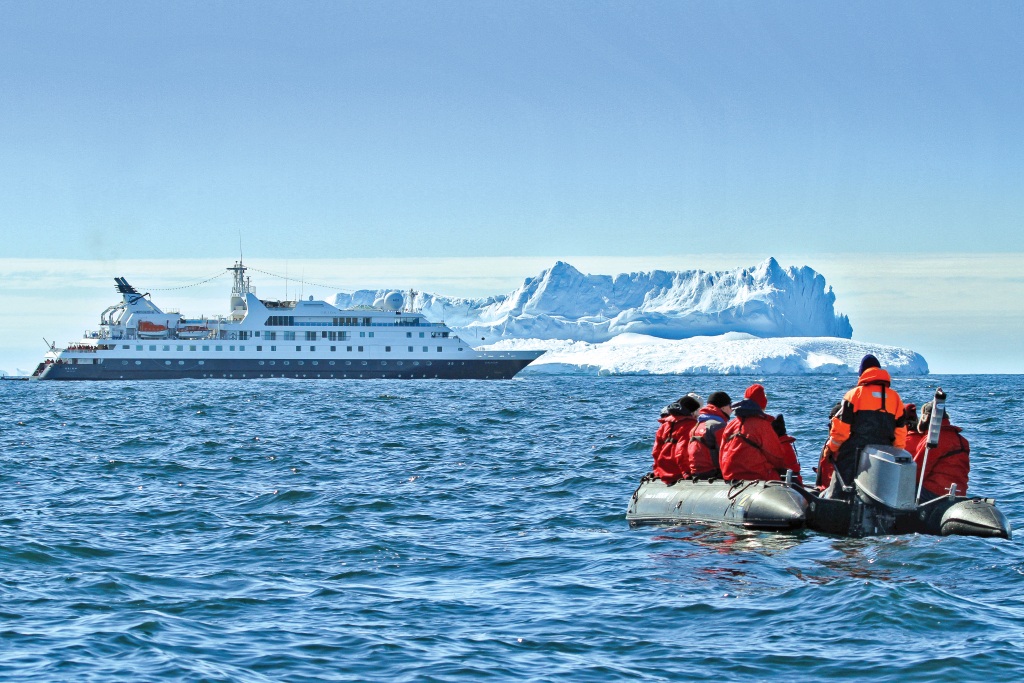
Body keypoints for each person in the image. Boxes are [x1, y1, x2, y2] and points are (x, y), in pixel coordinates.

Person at [822, 354, 908, 493]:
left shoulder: (854, 395)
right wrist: (895, 454)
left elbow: (841, 431)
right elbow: (900, 433)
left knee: (839, 493)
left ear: (862, 373)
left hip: (853, 455)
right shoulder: (895, 398)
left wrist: (831, 448)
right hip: (883, 456)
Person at [719, 384, 802, 483]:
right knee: (791, 479)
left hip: (730, 475)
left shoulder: (731, 424)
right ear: (762, 405)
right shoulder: (762, 425)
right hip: (757, 476)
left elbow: (722, 453)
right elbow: (777, 457)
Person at [911, 400, 970, 499]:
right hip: (959, 493)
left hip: (935, 493)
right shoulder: (962, 440)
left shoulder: (932, 439)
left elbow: (918, 471)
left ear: (925, 418)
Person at [651, 394, 702, 484]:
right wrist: (686, 474)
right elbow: (681, 452)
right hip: (678, 473)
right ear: (693, 412)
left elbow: (656, 451)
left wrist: (656, 472)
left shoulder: (665, 425)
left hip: (663, 472)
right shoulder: (690, 425)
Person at [685, 391, 733, 479]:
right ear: (722, 408)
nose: (732, 409)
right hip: (712, 472)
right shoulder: (718, 425)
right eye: (730, 405)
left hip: (696, 472)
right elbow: (726, 454)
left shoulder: (697, 425)